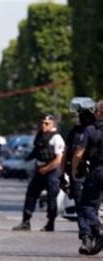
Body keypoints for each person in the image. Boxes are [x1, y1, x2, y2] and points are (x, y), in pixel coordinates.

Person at [13, 114, 65, 232]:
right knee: (31, 194)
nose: (43, 125)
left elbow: (59, 159)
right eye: (42, 123)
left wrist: (46, 169)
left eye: (46, 123)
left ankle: (50, 223)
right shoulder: (40, 136)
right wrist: (24, 161)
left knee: (52, 197)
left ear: (53, 124)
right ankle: (26, 222)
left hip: (52, 171)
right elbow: (36, 152)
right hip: (40, 169)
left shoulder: (56, 138)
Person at [60, 97, 96, 252]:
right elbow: (65, 153)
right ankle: (87, 236)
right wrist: (63, 175)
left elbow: (74, 154)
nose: (80, 116)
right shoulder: (74, 131)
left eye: (83, 113)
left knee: (88, 207)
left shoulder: (95, 130)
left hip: (88, 173)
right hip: (79, 174)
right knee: (82, 207)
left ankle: (93, 233)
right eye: (79, 113)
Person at [71, 100, 103, 255]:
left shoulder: (91, 129)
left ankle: (98, 229)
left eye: (96, 111)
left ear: (99, 113)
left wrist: (74, 168)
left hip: (98, 170)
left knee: (86, 205)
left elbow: (78, 154)